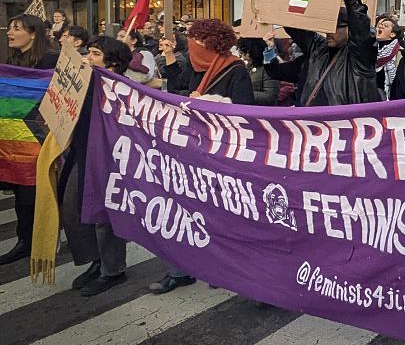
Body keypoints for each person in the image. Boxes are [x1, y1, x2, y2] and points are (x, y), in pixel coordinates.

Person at [152, 19, 254, 294]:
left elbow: (245, 112)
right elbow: (178, 91)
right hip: (191, 149)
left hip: (220, 155)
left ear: (211, 44)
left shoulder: (235, 70)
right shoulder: (196, 67)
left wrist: (209, 104)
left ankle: (220, 268)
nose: (191, 45)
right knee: (183, 211)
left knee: (217, 217)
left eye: (196, 40)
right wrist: (170, 59)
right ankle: (179, 270)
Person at [60, 36, 133, 296]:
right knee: (73, 207)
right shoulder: (87, 82)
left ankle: (113, 270)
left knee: (104, 216)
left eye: (94, 54)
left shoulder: (121, 89)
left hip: (107, 159)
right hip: (81, 152)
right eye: (88, 52)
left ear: (112, 63)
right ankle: (96, 260)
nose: (87, 57)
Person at [265, 0, 379, 106]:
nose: (328, 32)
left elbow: (361, 33)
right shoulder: (317, 49)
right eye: (327, 27)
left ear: (349, 29)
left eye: (335, 28)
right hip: (310, 118)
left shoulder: (360, 58)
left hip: (345, 119)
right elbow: (293, 24)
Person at [0, 14, 57, 265]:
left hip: (41, 137)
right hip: (16, 138)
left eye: (16, 29)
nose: (9, 33)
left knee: (33, 193)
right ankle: (25, 240)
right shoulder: (12, 61)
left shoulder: (51, 60)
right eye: (10, 28)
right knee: (21, 192)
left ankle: (38, 240)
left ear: (33, 34)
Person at [237, 38, 280, 106]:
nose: (243, 57)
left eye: (244, 53)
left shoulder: (270, 68)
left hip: (260, 110)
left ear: (254, 51)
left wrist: (243, 94)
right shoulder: (248, 66)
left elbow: (270, 97)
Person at [375, 17, 402, 100]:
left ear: (392, 34)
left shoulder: (399, 54)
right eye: (380, 25)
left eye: (385, 26)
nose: (380, 27)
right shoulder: (371, 50)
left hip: (391, 99)